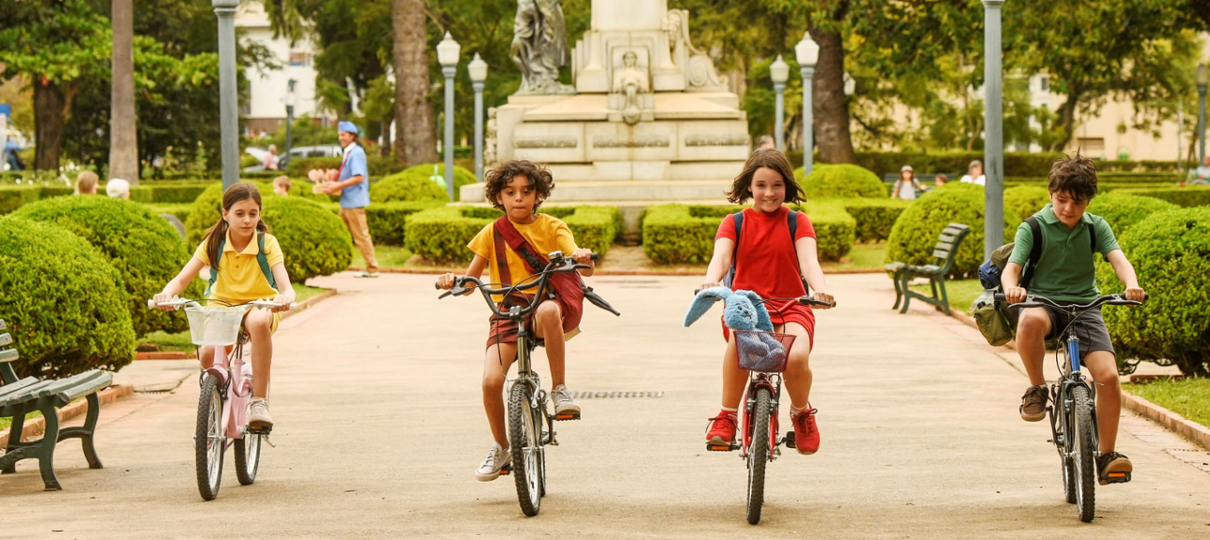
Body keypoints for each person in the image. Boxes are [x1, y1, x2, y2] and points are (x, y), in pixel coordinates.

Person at [435, 159, 594, 482]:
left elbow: (578, 259)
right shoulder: (491, 232)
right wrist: (452, 280)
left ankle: (559, 389)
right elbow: (469, 283)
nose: (518, 198)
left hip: (540, 309)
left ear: (538, 195)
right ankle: (502, 446)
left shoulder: (553, 227)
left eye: (526, 191)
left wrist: (580, 256)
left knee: (550, 310)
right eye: (510, 192)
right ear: (499, 197)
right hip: (506, 313)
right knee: (491, 382)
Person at [1002, 154, 1146, 484]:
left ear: (1089, 200)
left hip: (1085, 307)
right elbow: (1012, 269)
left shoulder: (1096, 226)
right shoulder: (1033, 227)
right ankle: (1037, 388)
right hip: (1043, 302)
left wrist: (1131, 284)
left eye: (1077, 202)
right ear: (1051, 193)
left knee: (1108, 377)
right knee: (1029, 322)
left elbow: (1118, 259)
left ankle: (1107, 454)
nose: (1068, 209)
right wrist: (1012, 290)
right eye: (1061, 200)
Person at [697, 148, 835, 456]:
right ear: (749, 186)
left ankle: (800, 413)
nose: (769, 193)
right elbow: (720, 257)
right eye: (761, 185)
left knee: (796, 357)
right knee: (740, 341)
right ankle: (726, 416)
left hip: (792, 305)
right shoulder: (734, 222)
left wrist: (820, 289)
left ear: (787, 186)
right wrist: (711, 280)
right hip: (745, 305)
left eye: (776, 185)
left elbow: (809, 261)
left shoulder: (798, 222)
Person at [153, 182, 296, 429]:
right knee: (208, 354)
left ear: (260, 213)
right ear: (225, 214)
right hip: (222, 309)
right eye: (239, 214)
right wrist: (165, 295)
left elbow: (286, 285)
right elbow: (182, 279)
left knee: (259, 321)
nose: (247, 220)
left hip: (258, 305)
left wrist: (285, 297)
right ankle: (217, 398)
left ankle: (259, 402)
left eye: (253, 213)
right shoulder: (213, 243)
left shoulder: (267, 243)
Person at [317, 121, 378, 277]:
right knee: (337, 231)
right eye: (339, 135)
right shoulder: (350, 151)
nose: (340, 138)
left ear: (352, 136)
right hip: (348, 201)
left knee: (361, 235)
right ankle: (329, 261)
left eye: (343, 135)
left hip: (354, 201)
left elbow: (359, 177)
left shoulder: (356, 152)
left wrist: (338, 186)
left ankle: (372, 268)